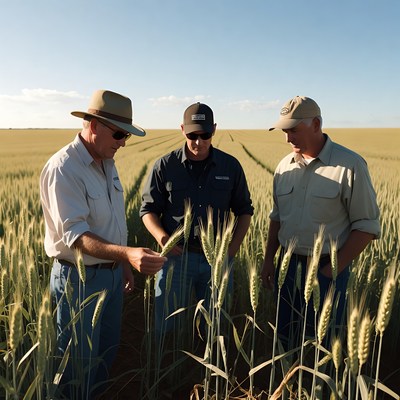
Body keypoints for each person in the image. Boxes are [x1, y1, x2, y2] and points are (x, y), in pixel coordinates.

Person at [40, 89, 167, 399]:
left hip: (111, 278)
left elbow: (112, 222)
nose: (123, 142)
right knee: (76, 369)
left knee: (104, 359)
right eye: (119, 133)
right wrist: (128, 254)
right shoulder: (64, 169)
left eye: (127, 136)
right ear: (93, 125)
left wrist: (121, 264)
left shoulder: (107, 162)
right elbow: (77, 237)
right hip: (79, 281)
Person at [261, 96, 380, 347]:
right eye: (284, 130)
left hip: (328, 267)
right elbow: (277, 218)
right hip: (288, 267)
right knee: (285, 339)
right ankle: (290, 385)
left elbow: (366, 227)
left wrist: (330, 272)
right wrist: (269, 260)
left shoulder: (350, 165)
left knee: (323, 344)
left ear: (316, 124)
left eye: (293, 129)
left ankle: (319, 387)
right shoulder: (284, 167)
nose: (287, 137)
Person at [140, 102, 254, 335]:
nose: (198, 142)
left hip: (218, 261)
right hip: (175, 258)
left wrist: (230, 252)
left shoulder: (230, 166)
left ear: (214, 129)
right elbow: (148, 210)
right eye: (193, 135)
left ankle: (208, 371)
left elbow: (244, 211)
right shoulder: (165, 165)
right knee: (168, 326)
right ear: (182, 129)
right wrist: (163, 239)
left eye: (205, 134)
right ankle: (167, 369)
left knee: (216, 328)